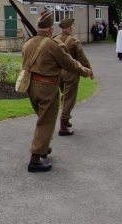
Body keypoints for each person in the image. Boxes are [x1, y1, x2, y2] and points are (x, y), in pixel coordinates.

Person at [23, 12, 92, 172]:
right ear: (50, 29)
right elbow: (70, 64)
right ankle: (35, 158)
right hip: (47, 87)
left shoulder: (28, 43)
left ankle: (43, 146)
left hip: (31, 87)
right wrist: (85, 71)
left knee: (42, 118)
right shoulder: (53, 44)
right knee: (46, 121)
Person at [54, 18, 92, 136]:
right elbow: (81, 58)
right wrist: (89, 70)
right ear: (70, 28)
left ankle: (66, 120)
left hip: (57, 73)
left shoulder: (54, 39)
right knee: (69, 98)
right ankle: (63, 127)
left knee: (64, 96)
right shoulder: (74, 41)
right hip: (70, 73)